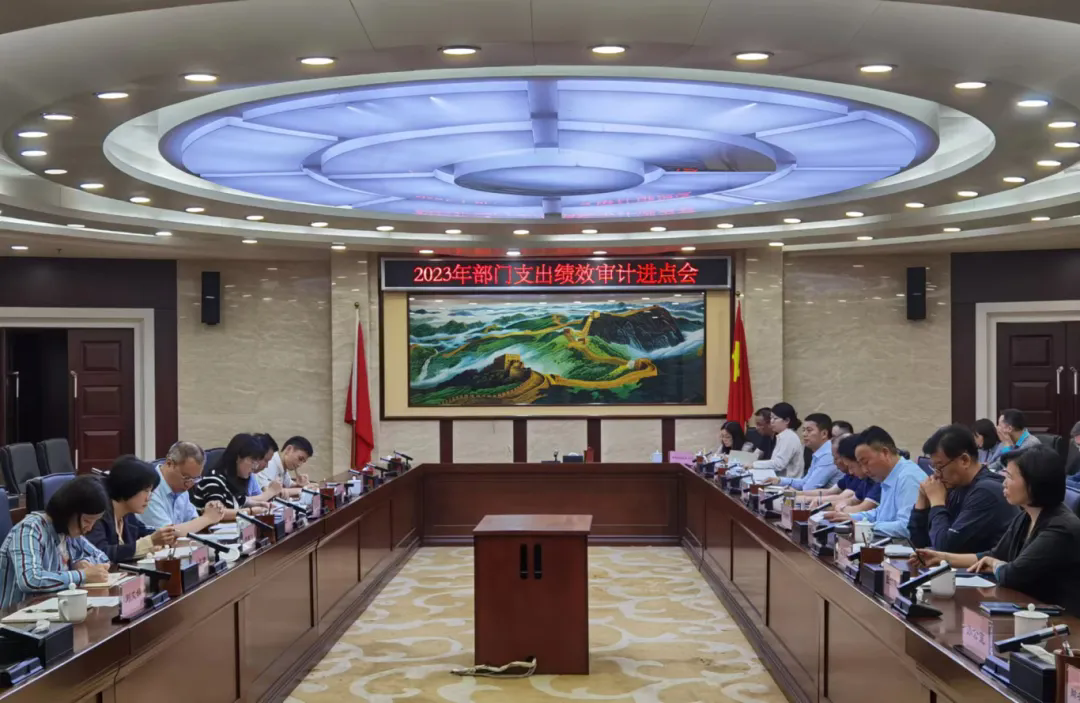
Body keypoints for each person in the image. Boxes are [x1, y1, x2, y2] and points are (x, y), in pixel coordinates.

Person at [913, 445, 1080, 616]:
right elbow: (995, 555)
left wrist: (994, 564)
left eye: (1010, 477)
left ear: (1035, 483)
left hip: (1063, 620)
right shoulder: (1026, 516)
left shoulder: (1060, 528)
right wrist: (943, 558)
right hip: (1030, 608)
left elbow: (1013, 574)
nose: (1004, 483)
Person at [0, 476, 112, 608]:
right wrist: (82, 575)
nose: (90, 528)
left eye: (94, 522)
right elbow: (30, 579)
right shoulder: (30, 529)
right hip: (17, 615)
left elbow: (102, 558)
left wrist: (81, 564)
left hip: (54, 609)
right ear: (68, 512)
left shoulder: (69, 533)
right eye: (87, 521)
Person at [908, 424, 1015, 553]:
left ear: (964, 460)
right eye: (934, 468)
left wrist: (937, 503)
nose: (937, 475)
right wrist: (921, 502)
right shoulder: (956, 486)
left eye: (940, 467)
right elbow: (919, 544)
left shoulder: (986, 492)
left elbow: (944, 548)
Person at [825, 426, 924, 538]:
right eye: (860, 465)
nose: (864, 470)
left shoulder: (908, 477)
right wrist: (850, 518)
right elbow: (880, 514)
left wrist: (863, 526)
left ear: (885, 453)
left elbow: (906, 527)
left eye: (866, 462)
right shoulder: (889, 476)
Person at [87, 456, 180, 563]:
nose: (149, 497)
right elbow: (101, 553)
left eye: (151, 491)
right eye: (146, 490)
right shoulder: (98, 512)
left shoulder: (128, 514)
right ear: (129, 487)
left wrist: (165, 537)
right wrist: (150, 542)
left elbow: (142, 531)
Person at [139, 441, 226, 536]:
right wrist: (207, 518)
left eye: (195, 479)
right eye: (186, 477)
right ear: (169, 463)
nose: (189, 484)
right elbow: (168, 534)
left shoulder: (180, 487)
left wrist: (212, 512)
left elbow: (193, 522)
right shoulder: (148, 490)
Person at [190, 433, 277, 519]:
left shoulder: (233, 482)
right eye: (253, 462)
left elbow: (242, 501)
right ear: (238, 458)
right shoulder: (213, 480)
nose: (255, 467)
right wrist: (250, 511)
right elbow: (217, 512)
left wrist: (260, 504)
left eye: (257, 463)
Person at [766, 413, 841, 491]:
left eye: (809, 430)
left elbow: (808, 488)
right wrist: (779, 480)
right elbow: (804, 482)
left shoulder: (828, 455)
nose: (804, 434)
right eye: (803, 430)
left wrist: (793, 491)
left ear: (824, 434)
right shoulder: (820, 452)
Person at [752, 402, 804, 478]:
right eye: (771, 418)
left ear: (786, 420)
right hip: (778, 479)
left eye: (775, 418)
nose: (771, 421)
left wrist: (754, 464)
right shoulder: (782, 436)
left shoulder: (789, 437)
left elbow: (779, 464)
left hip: (788, 482)